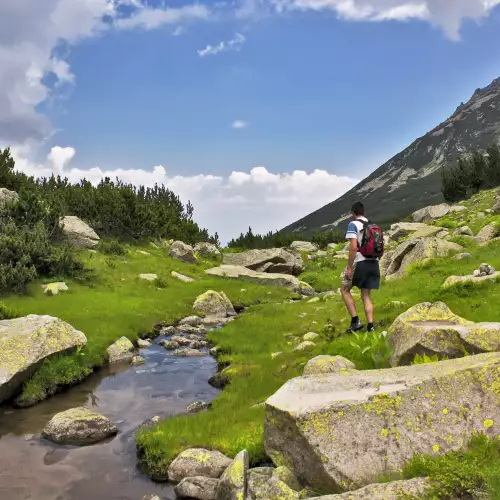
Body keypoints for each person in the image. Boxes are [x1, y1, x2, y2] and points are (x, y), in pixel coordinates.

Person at [341, 201, 380, 333]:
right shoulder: (373, 225)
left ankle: (355, 321)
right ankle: (371, 326)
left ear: (353, 213)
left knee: (345, 290)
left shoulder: (353, 224)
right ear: (363, 212)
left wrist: (349, 267)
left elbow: (353, 248)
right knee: (365, 294)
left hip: (360, 262)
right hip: (373, 262)